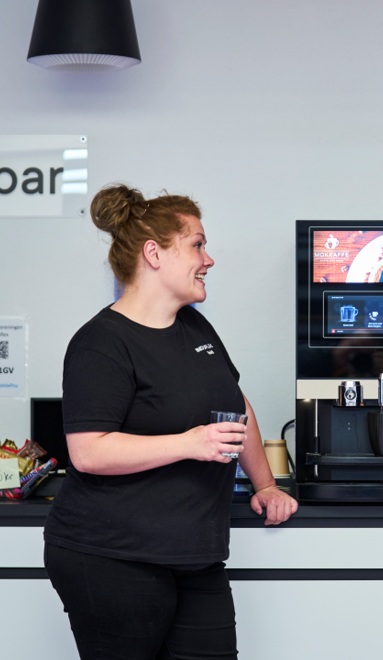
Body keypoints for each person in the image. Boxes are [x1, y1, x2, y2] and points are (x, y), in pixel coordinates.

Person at [43, 184, 297, 660]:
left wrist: (265, 485)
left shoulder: (195, 326)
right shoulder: (101, 343)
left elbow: (237, 404)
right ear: (154, 254)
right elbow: (89, 451)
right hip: (110, 556)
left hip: (194, 554)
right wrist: (187, 442)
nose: (209, 259)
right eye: (198, 245)